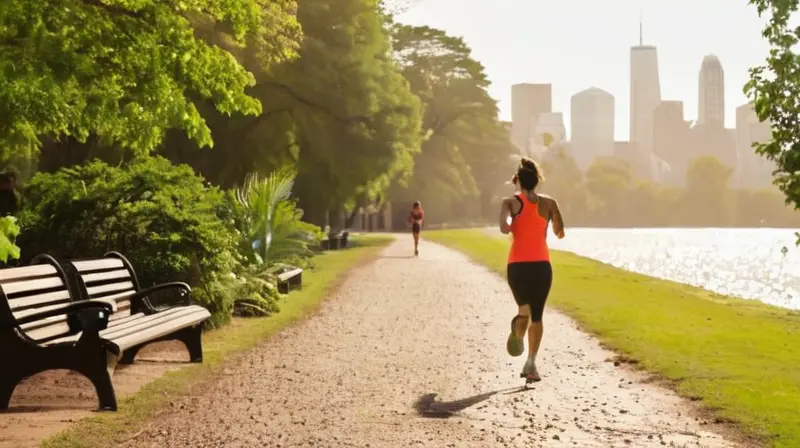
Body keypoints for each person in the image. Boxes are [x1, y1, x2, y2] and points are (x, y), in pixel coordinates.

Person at [499, 157, 565, 382]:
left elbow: (503, 227)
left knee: (526, 311)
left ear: (517, 180)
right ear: (537, 180)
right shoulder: (549, 203)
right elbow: (559, 232)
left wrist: (513, 218)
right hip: (542, 266)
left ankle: (525, 351)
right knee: (536, 315)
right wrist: (549, 218)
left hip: (517, 266)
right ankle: (531, 362)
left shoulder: (509, 203)